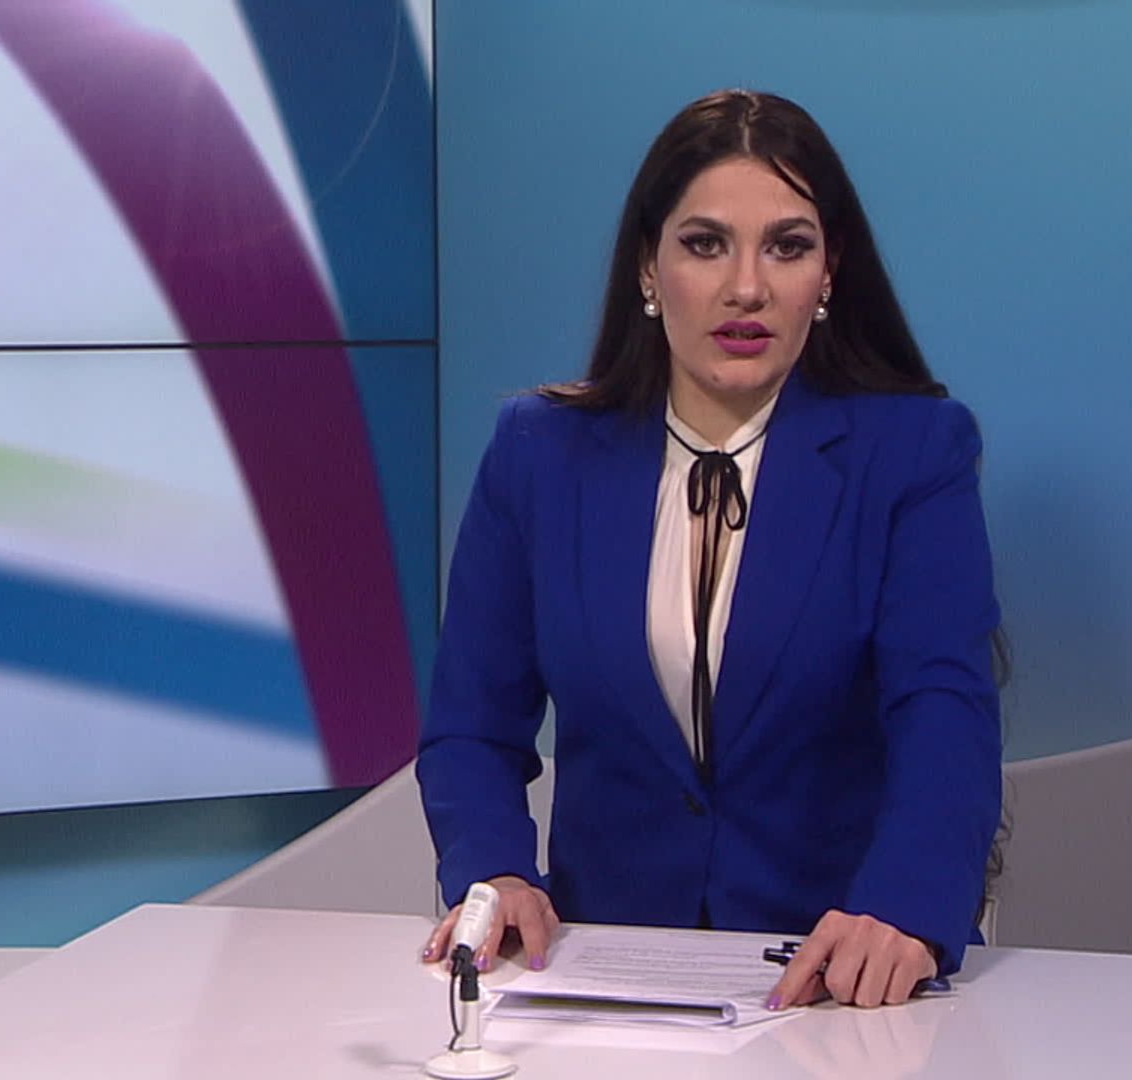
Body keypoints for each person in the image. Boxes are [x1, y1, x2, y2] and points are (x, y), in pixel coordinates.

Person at [416, 89, 1003, 1012]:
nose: (746, 288)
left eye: (787, 246)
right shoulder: (539, 454)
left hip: (834, 980)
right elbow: (471, 725)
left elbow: (945, 711)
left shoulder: (912, 453)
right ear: (648, 268)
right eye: (705, 244)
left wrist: (905, 910)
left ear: (830, 272)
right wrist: (493, 871)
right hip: (603, 975)